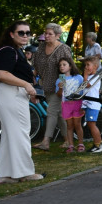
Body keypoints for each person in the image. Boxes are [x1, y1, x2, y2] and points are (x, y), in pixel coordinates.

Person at [0, 21, 44, 183]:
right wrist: (26, 85)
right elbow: (1, 74)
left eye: (28, 33)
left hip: (12, 94)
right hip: (11, 94)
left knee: (11, 135)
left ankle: (6, 175)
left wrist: (29, 90)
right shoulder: (8, 51)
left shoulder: (14, 51)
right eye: (21, 32)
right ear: (11, 34)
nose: (25, 36)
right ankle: (24, 173)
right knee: (20, 134)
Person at [32, 23, 73, 151]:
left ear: (58, 35)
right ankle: (68, 140)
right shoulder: (41, 47)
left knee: (51, 112)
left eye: (50, 34)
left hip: (59, 87)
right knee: (59, 114)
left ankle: (46, 141)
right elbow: (36, 64)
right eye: (46, 33)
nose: (47, 36)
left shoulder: (63, 49)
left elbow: (66, 69)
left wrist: (61, 88)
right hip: (46, 86)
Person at [56, 58, 85, 153]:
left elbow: (83, 90)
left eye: (64, 64)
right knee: (69, 126)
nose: (61, 66)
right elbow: (59, 95)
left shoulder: (78, 77)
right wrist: (60, 88)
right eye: (60, 65)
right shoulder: (60, 79)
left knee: (77, 124)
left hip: (77, 103)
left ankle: (80, 144)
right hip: (66, 104)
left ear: (70, 66)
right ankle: (71, 145)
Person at [79, 55, 102, 153]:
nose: (86, 67)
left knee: (92, 124)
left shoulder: (95, 77)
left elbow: (86, 85)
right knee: (90, 124)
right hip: (88, 104)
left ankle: (99, 144)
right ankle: (97, 143)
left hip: (93, 104)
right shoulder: (90, 77)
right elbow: (83, 89)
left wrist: (85, 76)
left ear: (95, 66)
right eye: (85, 65)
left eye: (88, 65)